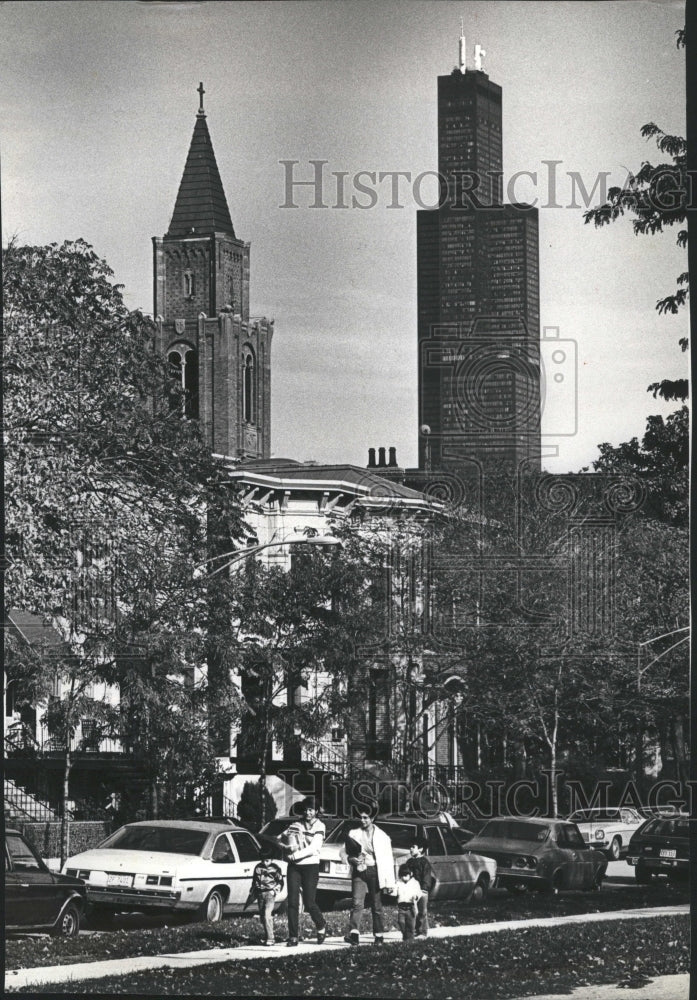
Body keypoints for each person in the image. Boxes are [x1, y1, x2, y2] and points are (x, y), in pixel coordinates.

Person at [342, 810, 396, 946]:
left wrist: (390, 883)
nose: (362, 820)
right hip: (359, 871)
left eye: (366, 817)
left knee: (376, 904)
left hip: (375, 871)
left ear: (372, 818)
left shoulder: (382, 837)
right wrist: (351, 859)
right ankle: (354, 934)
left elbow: (388, 860)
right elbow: (343, 852)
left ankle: (379, 936)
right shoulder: (353, 833)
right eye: (360, 817)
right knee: (356, 903)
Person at [281, 796, 327, 947]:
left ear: (317, 811)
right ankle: (293, 936)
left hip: (310, 866)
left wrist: (294, 855)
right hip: (294, 867)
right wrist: (284, 847)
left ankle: (321, 925)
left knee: (309, 902)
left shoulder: (320, 826)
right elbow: (281, 837)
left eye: (311, 810)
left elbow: (314, 848)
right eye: (306, 809)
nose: (308, 813)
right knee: (292, 902)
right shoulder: (295, 824)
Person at [249, 845, 284, 945]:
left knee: (267, 914)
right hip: (260, 894)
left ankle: (271, 938)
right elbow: (254, 879)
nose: (265, 863)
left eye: (267, 860)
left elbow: (280, 881)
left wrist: (275, 891)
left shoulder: (275, 869)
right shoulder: (258, 867)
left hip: (270, 894)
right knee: (262, 916)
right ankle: (266, 935)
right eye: (263, 860)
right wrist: (253, 889)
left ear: (272, 859)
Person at [405, 836, 435, 939]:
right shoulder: (409, 862)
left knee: (422, 912)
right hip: (411, 891)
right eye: (410, 847)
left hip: (422, 891)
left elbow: (427, 877)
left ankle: (422, 932)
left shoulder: (424, 862)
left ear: (421, 849)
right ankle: (413, 931)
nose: (411, 849)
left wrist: (424, 889)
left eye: (413, 847)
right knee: (412, 911)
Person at [394, 864, 422, 941]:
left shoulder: (415, 883)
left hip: (411, 907)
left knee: (411, 925)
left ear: (411, 874)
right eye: (402, 876)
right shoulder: (398, 883)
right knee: (401, 922)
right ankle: (405, 935)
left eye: (406, 875)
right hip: (401, 907)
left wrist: (416, 897)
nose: (404, 877)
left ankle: (410, 941)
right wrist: (392, 891)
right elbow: (394, 892)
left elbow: (419, 892)